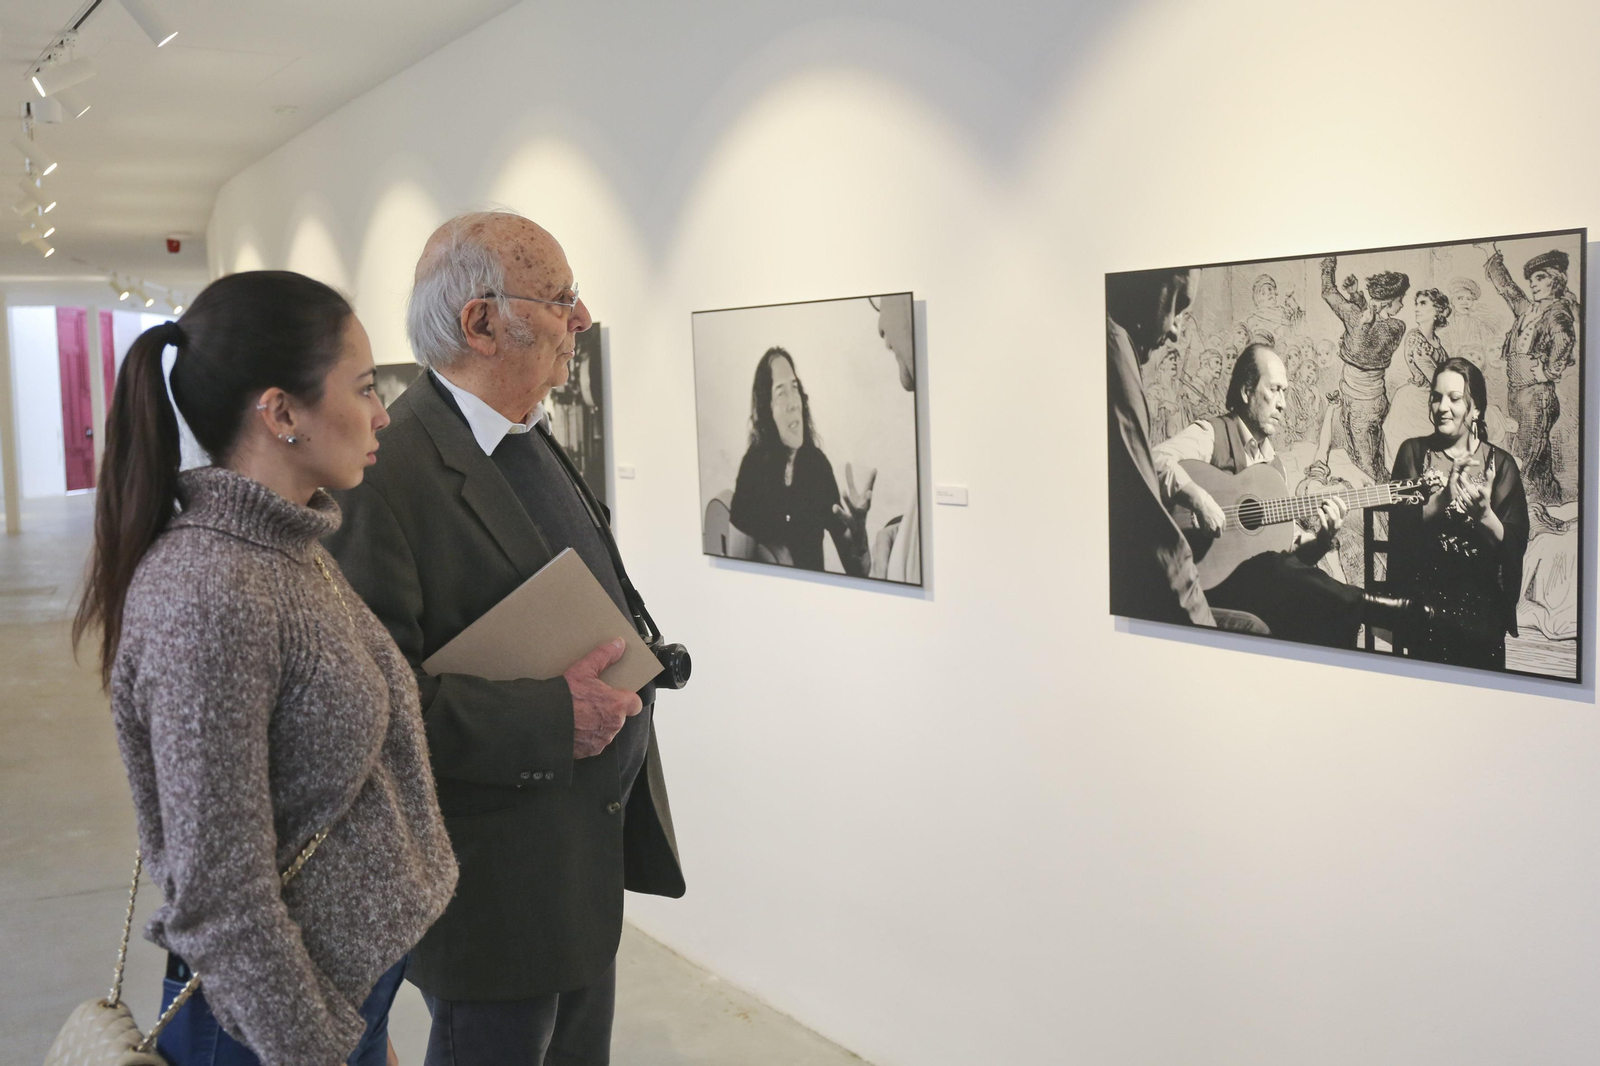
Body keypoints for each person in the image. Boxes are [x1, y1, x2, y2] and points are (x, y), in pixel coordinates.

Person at [325, 211, 684, 1066]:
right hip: (492, 891)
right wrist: (554, 721)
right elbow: (372, 704)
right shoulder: (388, 473)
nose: (583, 318)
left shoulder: (528, 439)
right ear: (481, 323)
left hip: (574, 868)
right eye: (559, 299)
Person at [72, 271, 458, 1065]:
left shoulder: (287, 550)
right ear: (281, 412)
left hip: (329, 998)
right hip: (263, 1027)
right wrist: (316, 1045)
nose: (384, 412)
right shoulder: (209, 591)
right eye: (362, 387)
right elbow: (219, 895)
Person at [1151, 344, 1424, 647]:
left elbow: (1290, 556)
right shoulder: (1212, 433)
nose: (1283, 404)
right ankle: (1379, 610)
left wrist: (1322, 539)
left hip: (1258, 588)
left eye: (1285, 392)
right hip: (1203, 579)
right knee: (1271, 568)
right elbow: (1154, 461)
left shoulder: (1272, 467)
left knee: (1315, 605)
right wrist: (1199, 499)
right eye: (1275, 390)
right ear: (1246, 391)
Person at [1390, 357, 1529, 669]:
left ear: (1474, 408)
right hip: (1426, 599)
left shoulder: (1500, 464)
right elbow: (1401, 530)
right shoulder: (1413, 452)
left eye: (1454, 399)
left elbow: (1515, 540)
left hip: (1482, 604)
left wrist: (1485, 517)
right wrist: (1446, 496)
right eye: (1436, 397)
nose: (1442, 407)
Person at [1105, 267, 1216, 627]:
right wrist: (1196, 494)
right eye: (1176, 305)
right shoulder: (1115, 351)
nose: (1173, 330)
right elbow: (1149, 524)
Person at [729, 347, 874, 575]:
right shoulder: (753, 469)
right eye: (780, 392)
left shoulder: (817, 467)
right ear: (767, 408)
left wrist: (860, 538)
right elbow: (734, 567)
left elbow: (859, 571)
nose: (793, 403)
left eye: (794, 388)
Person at [1482, 245, 1578, 505]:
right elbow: (1509, 290)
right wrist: (1492, 256)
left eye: (1540, 278)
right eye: (1532, 280)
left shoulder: (1556, 311)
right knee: (1538, 460)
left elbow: (1565, 338)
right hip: (1519, 393)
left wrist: (1548, 371)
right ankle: (1551, 503)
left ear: (1555, 280)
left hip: (1537, 398)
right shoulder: (1531, 309)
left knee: (1523, 459)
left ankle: (1524, 516)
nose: (1533, 285)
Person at [1320, 256, 1410, 482]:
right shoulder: (1396, 326)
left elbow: (1328, 293)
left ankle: (1381, 516)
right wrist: (1357, 297)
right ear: (1388, 302)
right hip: (1368, 401)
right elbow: (1370, 331)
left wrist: (1329, 266)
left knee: (1366, 468)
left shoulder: (1370, 321)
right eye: (1400, 300)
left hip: (1361, 404)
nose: (1402, 305)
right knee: (1371, 461)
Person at [1382, 287, 1452, 471]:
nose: (1417, 308)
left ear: (1437, 310)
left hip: (1432, 398)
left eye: (1423, 303)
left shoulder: (1437, 343)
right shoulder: (1415, 338)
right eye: (1416, 304)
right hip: (1414, 401)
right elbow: (1433, 375)